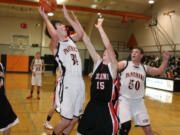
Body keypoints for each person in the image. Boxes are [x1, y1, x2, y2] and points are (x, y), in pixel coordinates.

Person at [38, 4, 85, 135]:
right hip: (68, 82)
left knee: (75, 119)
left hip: (79, 81)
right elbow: (54, 35)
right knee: (66, 120)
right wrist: (46, 19)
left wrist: (69, 17)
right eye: (60, 25)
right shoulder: (55, 45)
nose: (64, 26)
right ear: (54, 29)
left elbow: (81, 34)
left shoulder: (70, 40)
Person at [72, 13, 119, 135]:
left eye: (108, 53)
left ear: (114, 57)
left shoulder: (113, 68)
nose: (105, 52)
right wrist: (79, 25)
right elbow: (87, 43)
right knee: (80, 132)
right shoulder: (98, 63)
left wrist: (100, 28)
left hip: (105, 108)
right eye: (104, 52)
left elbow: (108, 46)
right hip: (92, 105)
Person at [117, 47, 170, 135]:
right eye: (132, 52)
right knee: (125, 126)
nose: (133, 53)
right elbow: (111, 69)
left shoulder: (144, 68)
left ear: (141, 55)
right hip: (124, 100)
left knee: (148, 129)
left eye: (136, 52)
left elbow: (159, 71)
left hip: (138, 102)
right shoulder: (124, 64)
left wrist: (165, 60)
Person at [0, 63, 19, 135]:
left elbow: (3, 83)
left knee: (9, 123)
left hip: (2, 99)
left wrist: (5, 96)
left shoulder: (1, 65)